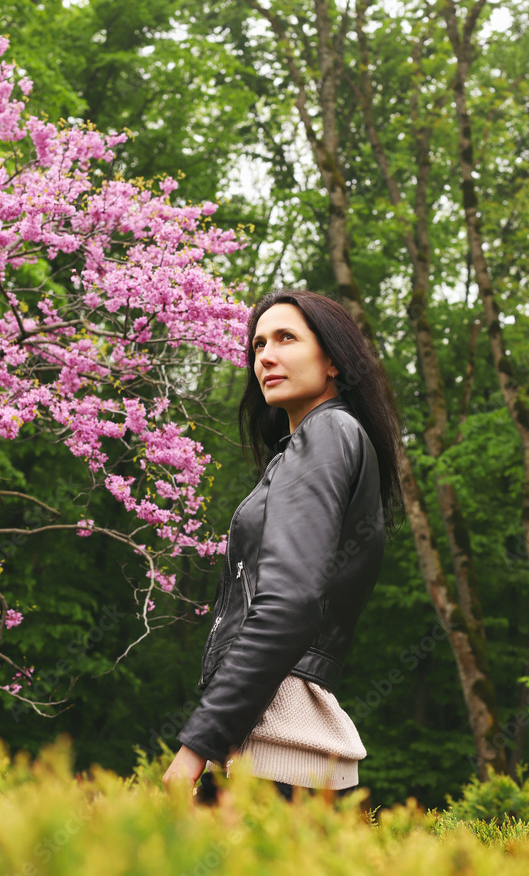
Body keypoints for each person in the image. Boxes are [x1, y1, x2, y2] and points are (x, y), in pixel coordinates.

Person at [162, 288, 405, 805]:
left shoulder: (324, 436)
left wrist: (196, 744)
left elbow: (290, 603)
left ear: (334, 360)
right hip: (279, 740)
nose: (265, 356)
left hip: (276, 741)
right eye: (257, 345)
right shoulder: (328, 440)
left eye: (286, 338)